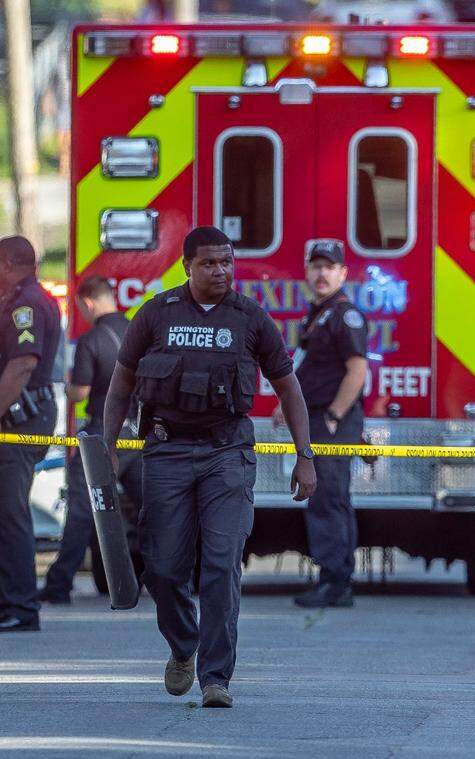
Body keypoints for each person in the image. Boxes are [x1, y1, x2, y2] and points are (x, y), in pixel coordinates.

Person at [102, 226, 317, 709]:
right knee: (162, 568)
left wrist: (305, 456)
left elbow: (290, 390)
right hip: (166, 452)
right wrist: (109, 447)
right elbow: (120, 385)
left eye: (227, 262)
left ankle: (216, 676)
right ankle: (183, 645)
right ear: (188, 267)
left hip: (228, 455)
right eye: (209, 264)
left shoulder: (250, 318)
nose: (220, 271)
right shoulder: (156, 315)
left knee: (222, 566)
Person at [0, 236, 61, 633]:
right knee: (0, 515)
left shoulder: (27, 305)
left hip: (14, 422)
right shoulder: (11, 300)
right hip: (6, 421)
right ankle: (9, 604)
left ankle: (21, 607)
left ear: (6, 263)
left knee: (10, 514)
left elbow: (22, 364)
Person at [38, 275, 142, 605]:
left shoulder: (91, 340)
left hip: (101, 437)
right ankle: (166, 575)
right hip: (138, 436)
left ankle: (59, 584)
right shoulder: (138, 334)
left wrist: (67, 389)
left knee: (82, 510)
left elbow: (80, 392)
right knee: (152, 509)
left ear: (87, 302)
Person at [284, 238, 369, 609]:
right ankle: (333, 579)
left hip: (332, 422)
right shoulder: (319, 313)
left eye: (329, 267)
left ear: (343, 273)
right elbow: (308, 367)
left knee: (329, 501)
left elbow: (357, 370)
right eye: (316, 266)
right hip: (316, 418)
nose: (321, 273)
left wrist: (334, 415)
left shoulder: (344, 315)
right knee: (324, 501)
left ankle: (336, 583)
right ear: (307, 271)